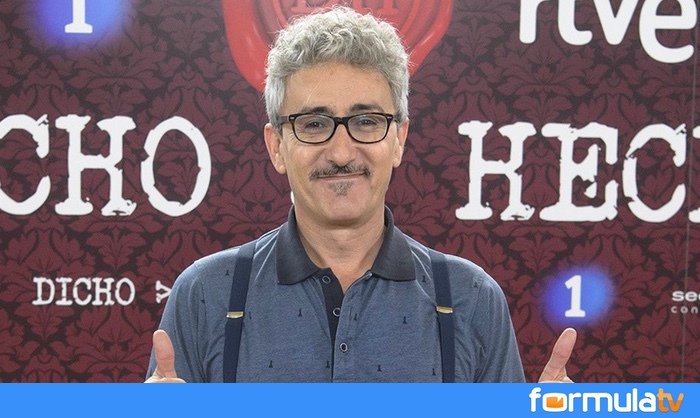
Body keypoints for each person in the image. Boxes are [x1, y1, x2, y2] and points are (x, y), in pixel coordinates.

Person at [146, 6, 577, 383]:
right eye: (314, 124)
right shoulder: (205, 294)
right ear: (277, 146)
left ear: (399, 139)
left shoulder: (472, 298)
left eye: (367, 121)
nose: (340, 152)